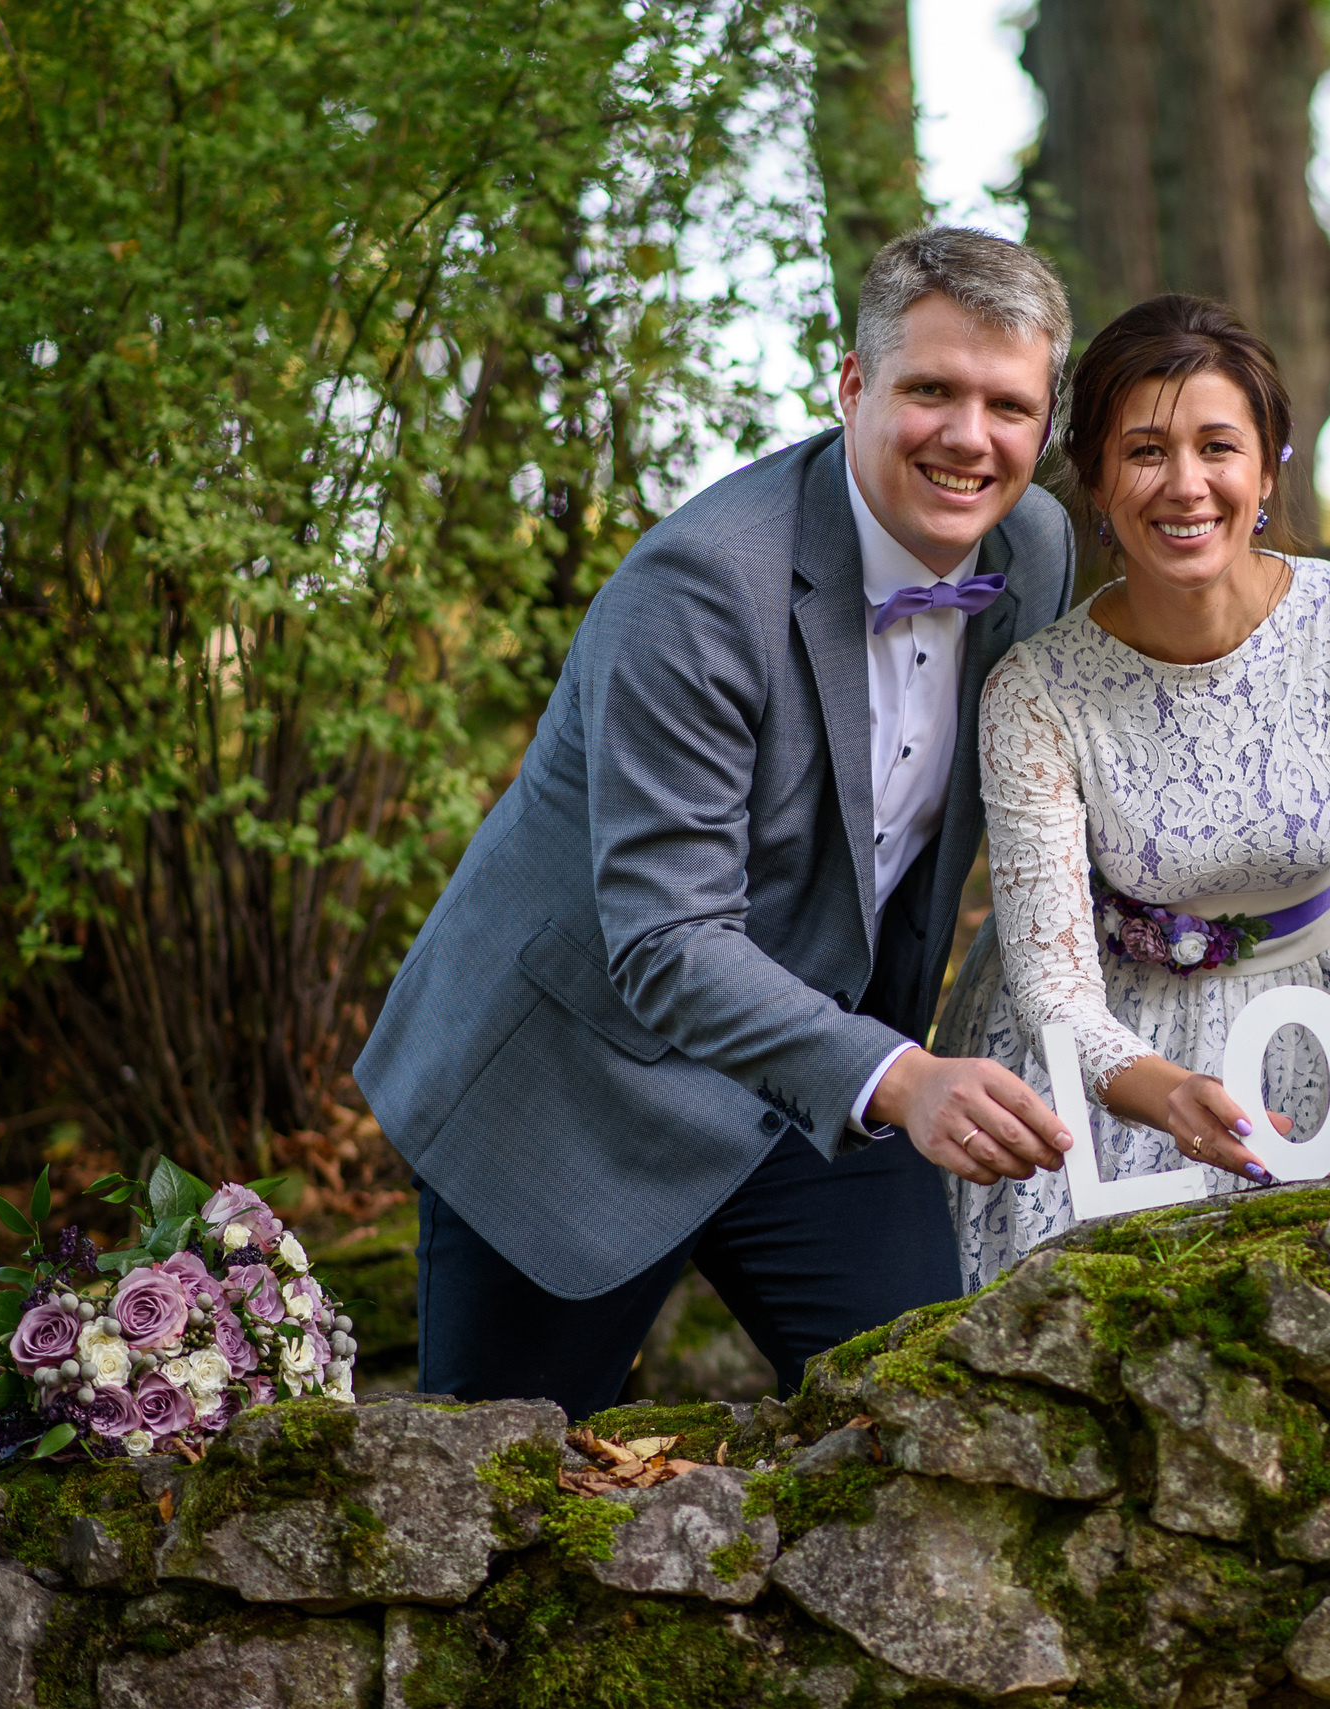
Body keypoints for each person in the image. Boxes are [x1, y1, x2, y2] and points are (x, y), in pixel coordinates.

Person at [354, 228, 1082, 1415]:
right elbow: (665, 937)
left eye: (1009, 405)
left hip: (821, 1073)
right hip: (578, 1083)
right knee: (494, 1502)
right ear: (852, 386)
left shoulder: (1032, 547)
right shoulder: (696, 587)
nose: (970, 437)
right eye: (930, 390)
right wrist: (902, 1078)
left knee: (942, 1416)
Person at [933, 293, 1330, 1290]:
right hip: (1101, 1061)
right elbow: (1056, 991)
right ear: (1094, 477)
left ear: (1266, 466)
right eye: (1143, 451)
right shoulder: (1033, 690)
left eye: (1217, 445)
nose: (1185, 485)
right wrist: (1158, 1093)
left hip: (1320, 1025)